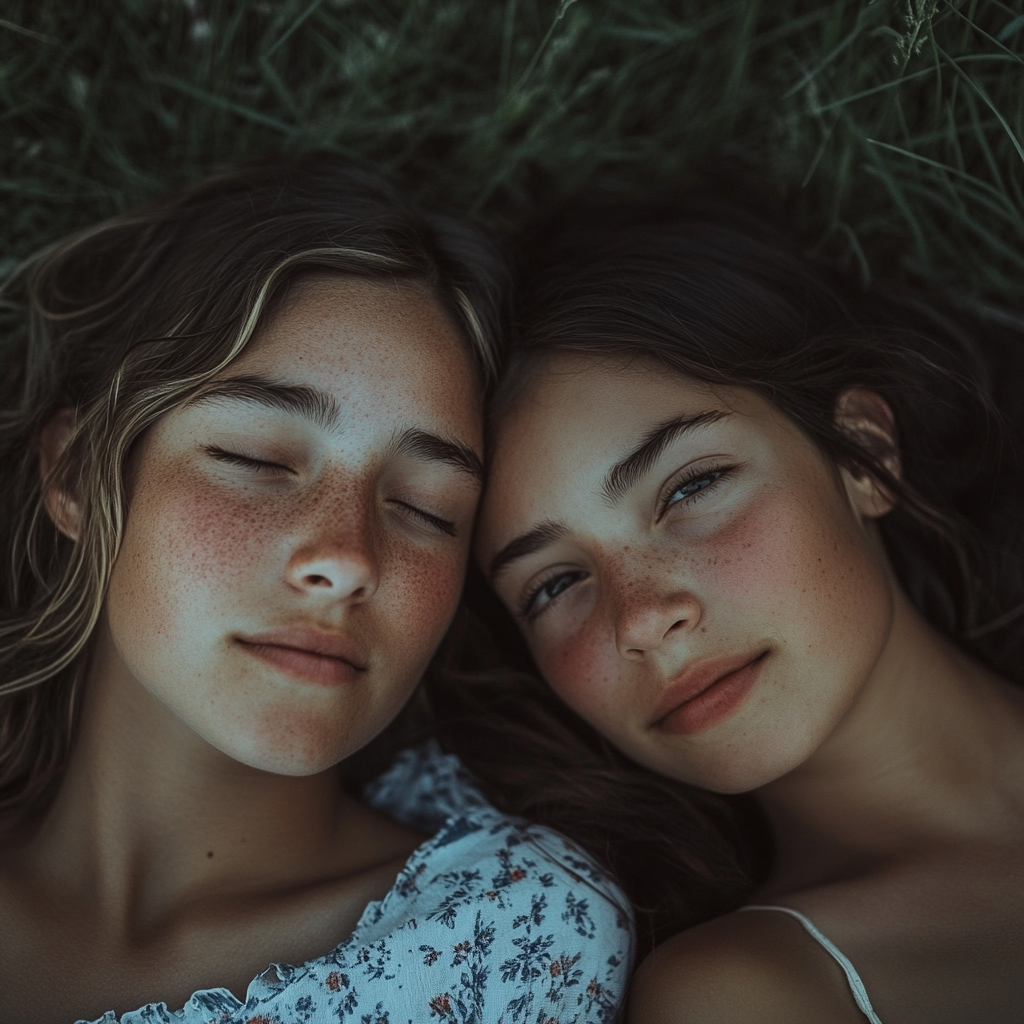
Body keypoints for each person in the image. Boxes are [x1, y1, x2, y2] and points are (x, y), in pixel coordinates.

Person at [0, 159, 631, 1024]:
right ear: (77, 475)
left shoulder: (509, 940)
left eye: (424, 508)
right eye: (258, 461)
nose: (348, 559)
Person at [475, 198, 1024, 1024]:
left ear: (865, 456)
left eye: (690, 488)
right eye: (553, 586)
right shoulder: (751, 996)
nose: (640, 618)